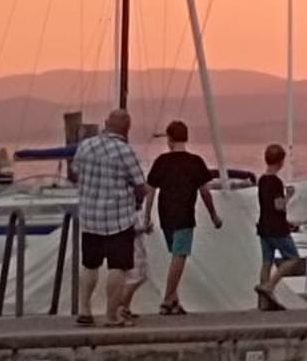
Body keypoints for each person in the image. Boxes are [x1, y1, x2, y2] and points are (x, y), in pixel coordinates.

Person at [68, 109, 146, 329]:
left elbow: (74, 173)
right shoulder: (125, 151)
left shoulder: (86, 146)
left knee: (90, 264)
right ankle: (111, 315)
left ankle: (84, 310)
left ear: (105, 123)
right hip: (118, 219)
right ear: (127, 130)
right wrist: (138, 200)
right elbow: (140, 185)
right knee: (118, 267)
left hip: (90, 217)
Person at [143, 120, 220, 317]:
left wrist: (146, 217)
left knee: (175, 254)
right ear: (186, 137)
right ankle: (167, 299)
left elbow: (150, 190)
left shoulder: (161, 161)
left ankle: (174, 301)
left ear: (169, 139)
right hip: (185, 214)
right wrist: (214, 216)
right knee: (180, 256)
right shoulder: (195, 162)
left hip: (165, 214)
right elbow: (205, 193)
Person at [255, 143, 296, 311]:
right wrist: (289, 196)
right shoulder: (276, 182)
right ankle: (269, 286)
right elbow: (279, 206)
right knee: (293, 258)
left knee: (266, 262)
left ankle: (262, 302)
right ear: (280, 162)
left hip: (264, 225)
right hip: (277, 228)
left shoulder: (262, 180)